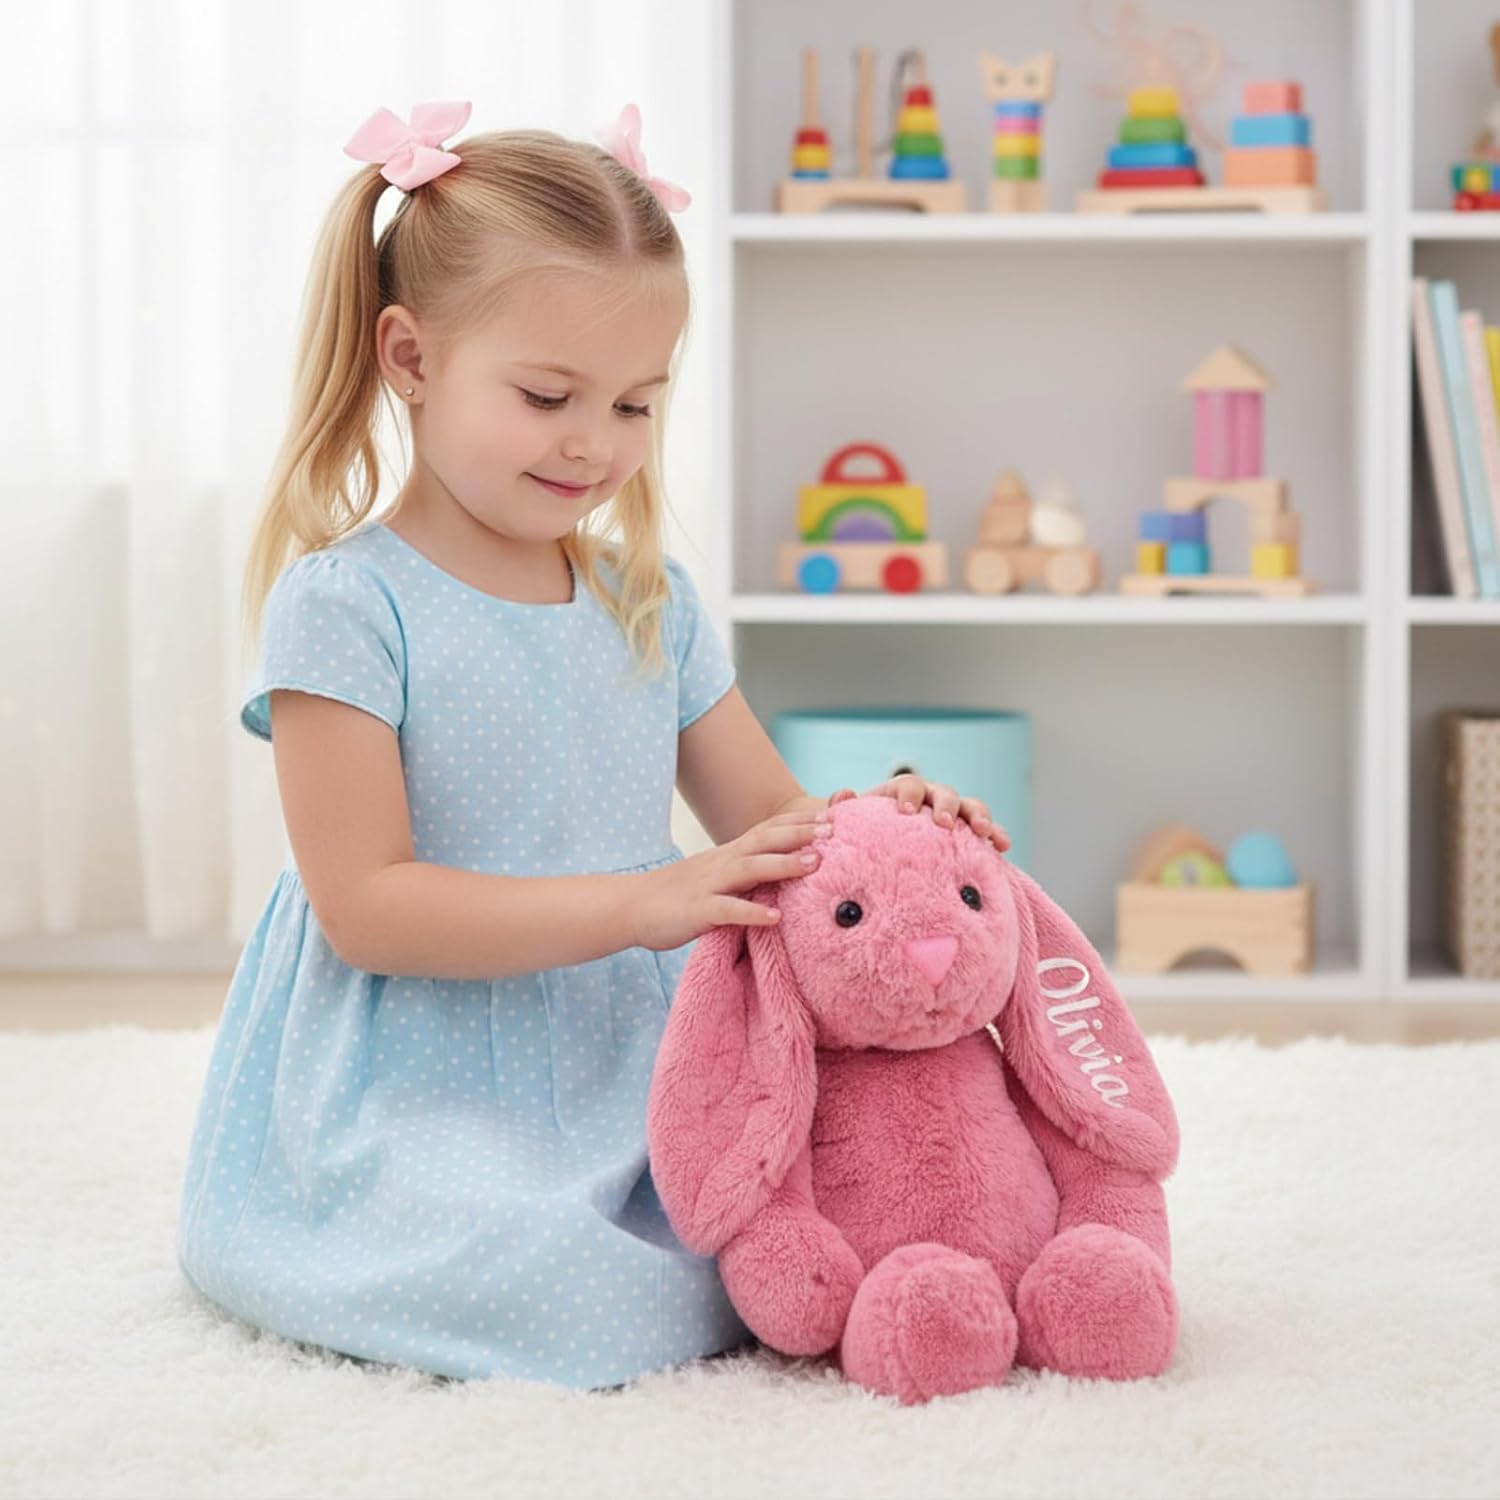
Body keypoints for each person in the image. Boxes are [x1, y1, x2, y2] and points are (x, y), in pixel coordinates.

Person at [175, 98, 1011, 1391]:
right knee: (543, 1278)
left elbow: (773, 832)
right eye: (547, 396)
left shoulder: (648, 599)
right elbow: (369, 909)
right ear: (409, 356)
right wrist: (641, 904)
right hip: (424, 1063)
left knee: (824, 1195)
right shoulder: (346, 605)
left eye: (634, 404)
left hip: (636, 1044)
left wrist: (888, 825)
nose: (594, 443)